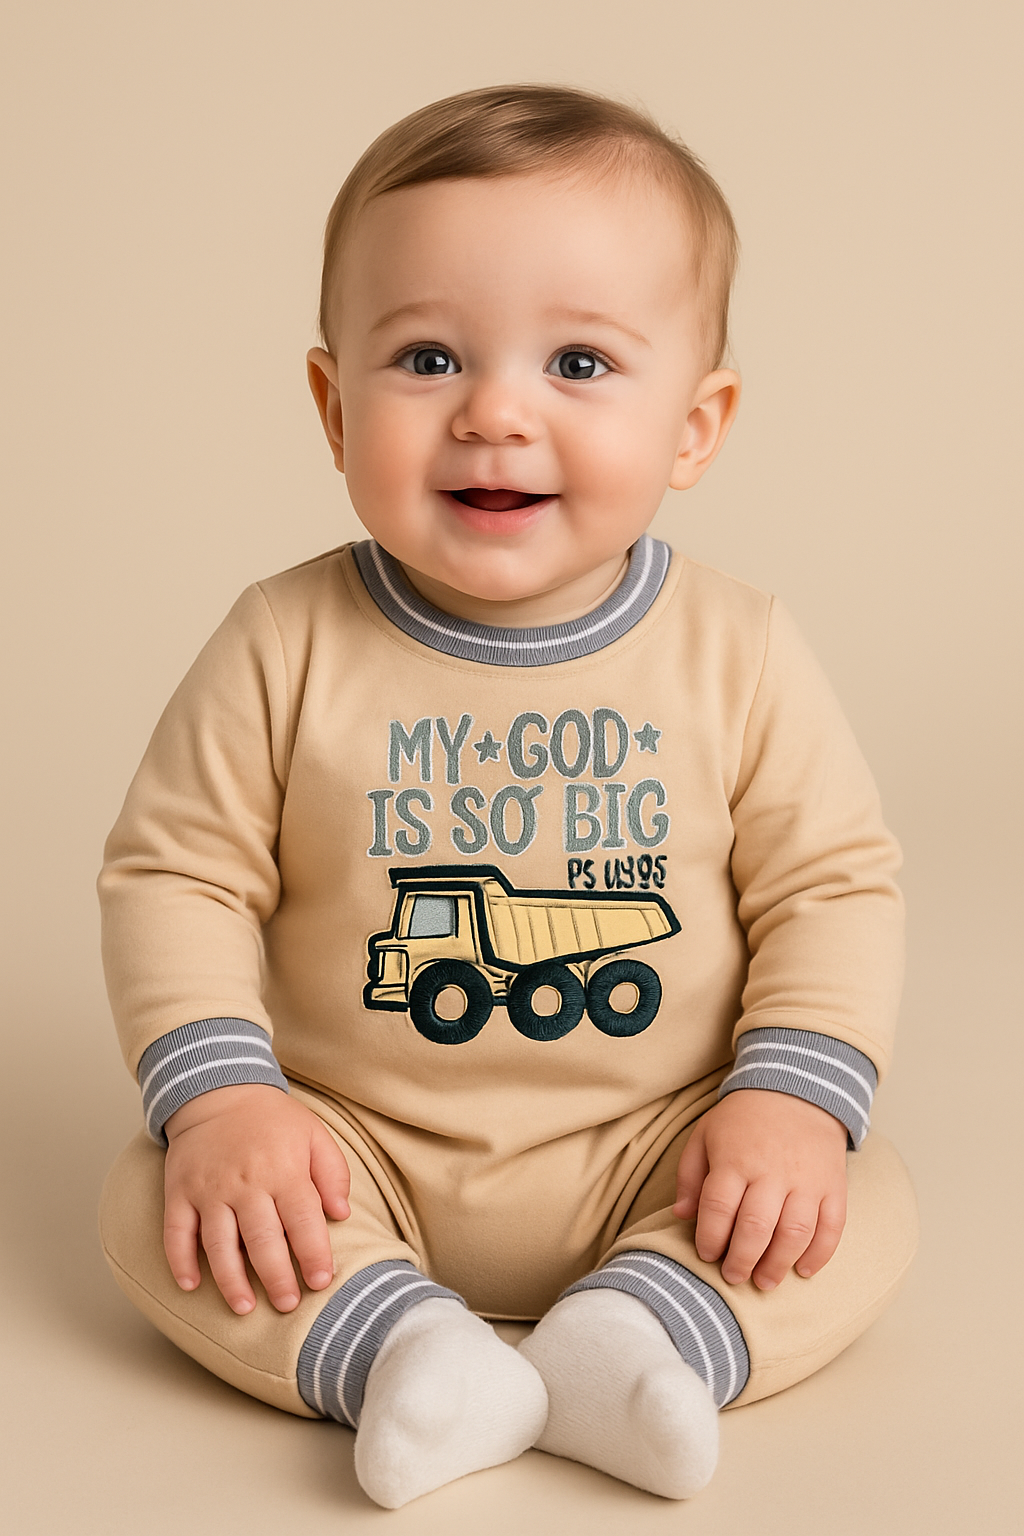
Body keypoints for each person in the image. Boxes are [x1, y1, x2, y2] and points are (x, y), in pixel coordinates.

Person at [98, 83, 918, 1510]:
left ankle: (639, 1333)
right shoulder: (282, 641)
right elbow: (179, 874)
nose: (494, 413)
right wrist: (227, 1101)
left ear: (696, 426)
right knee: (144, 1206)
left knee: (869, 1204)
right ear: (329, 403)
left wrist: (788, 1102)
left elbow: (831, 885)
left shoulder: (740, 652)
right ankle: (403, 1348)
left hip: (664, 1136)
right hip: (349, 1138)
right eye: (426, 356)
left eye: (582, 365)